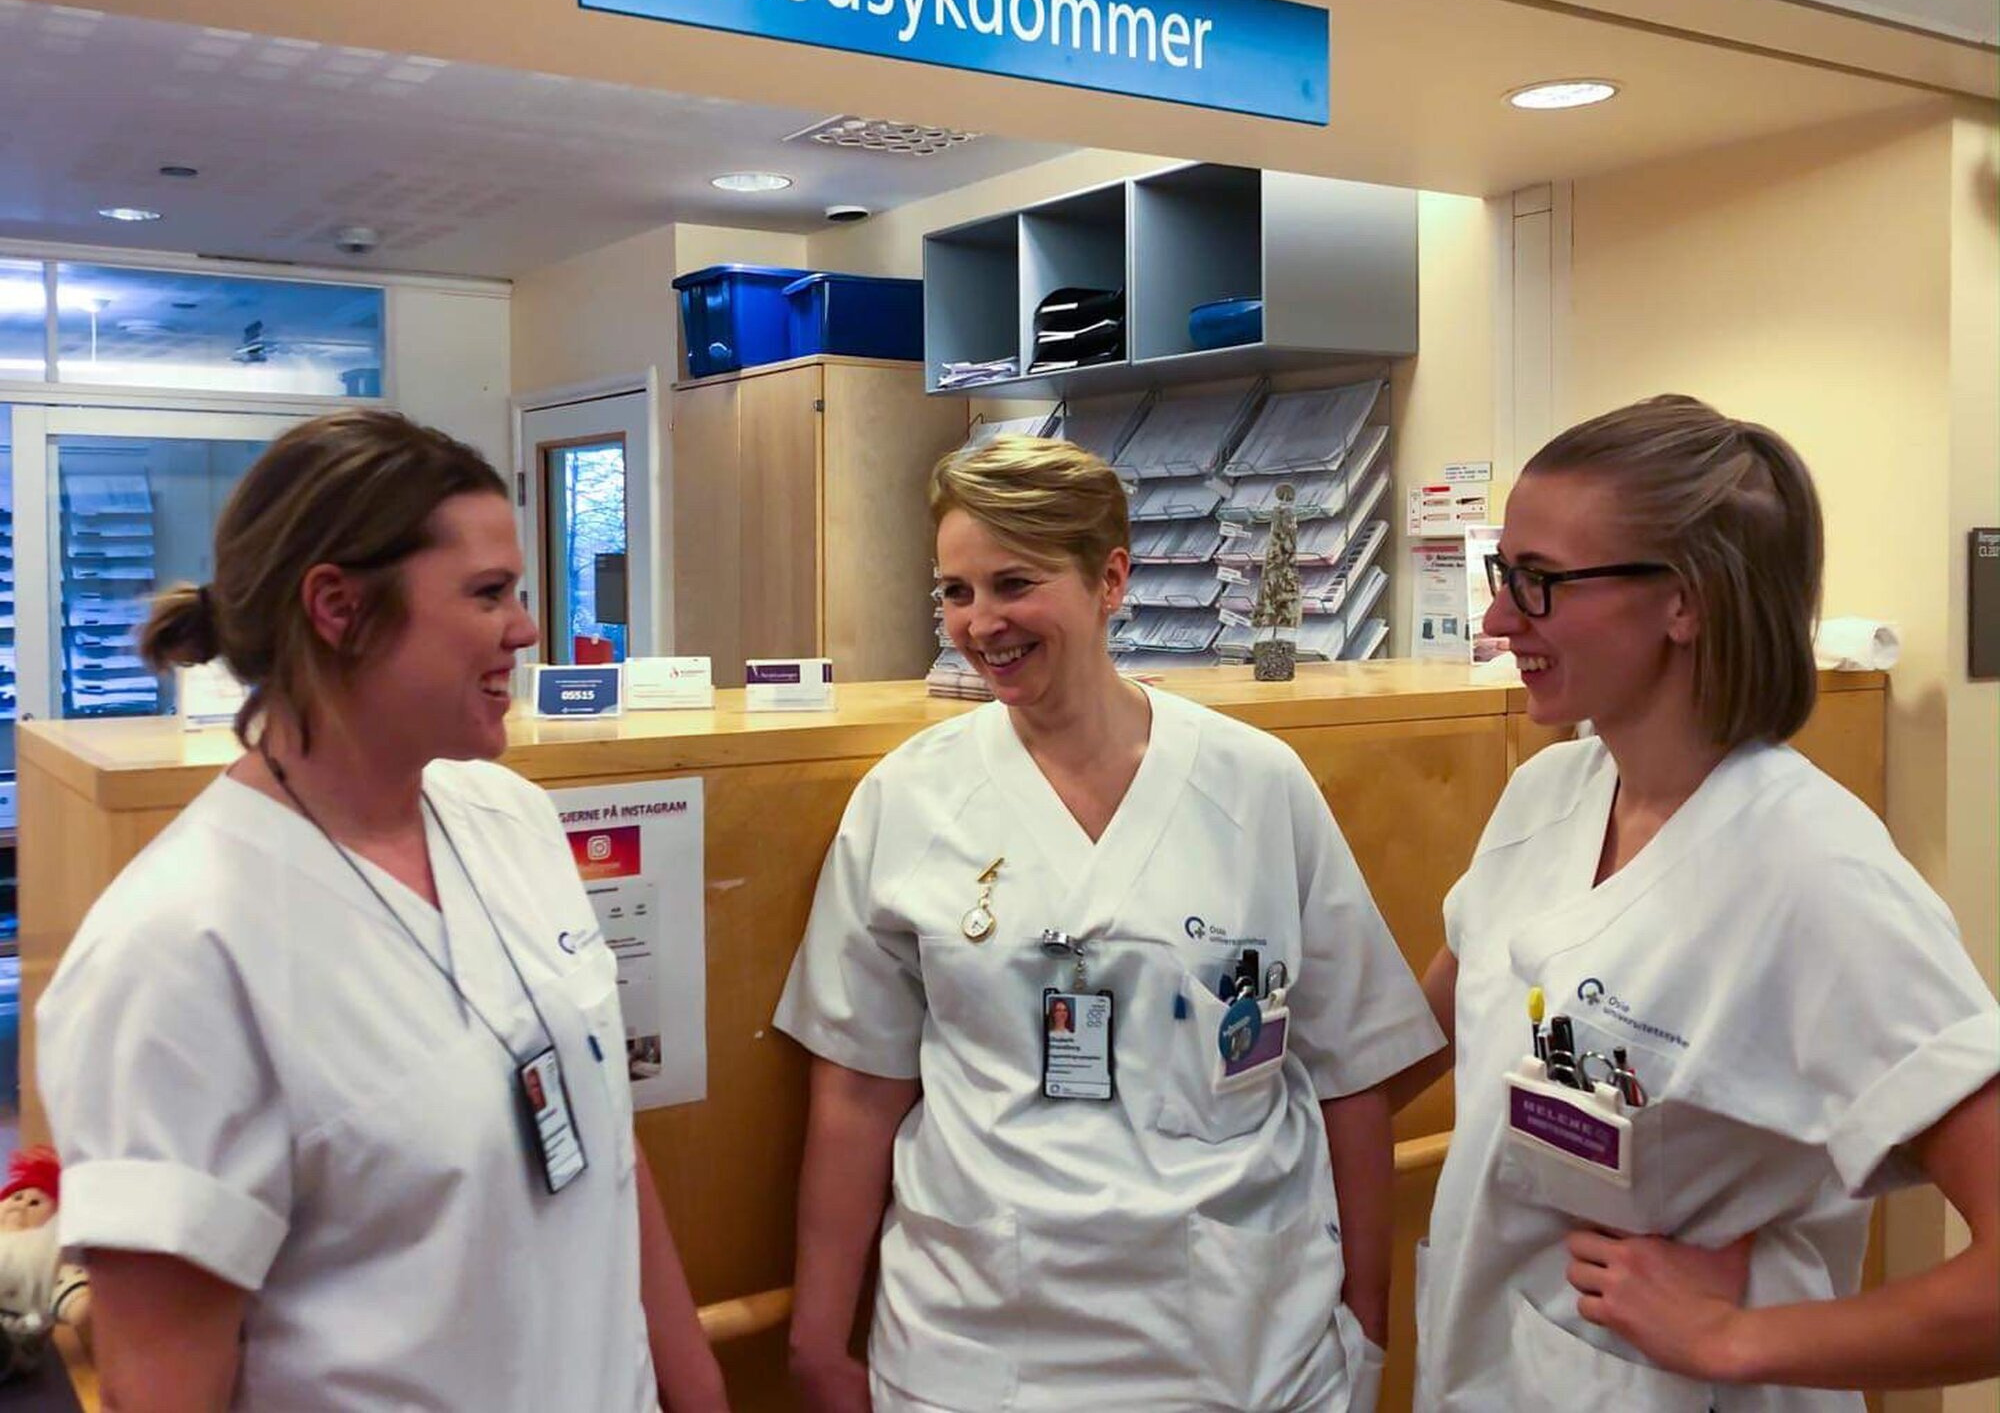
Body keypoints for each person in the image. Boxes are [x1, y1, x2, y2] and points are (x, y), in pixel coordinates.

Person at [36, 410, 728, 1412]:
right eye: (489, 594)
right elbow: (166, 1379)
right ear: (339, 607)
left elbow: (605, 1148)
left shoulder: (511, 820)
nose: (526, 628)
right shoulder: (178, 951)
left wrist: (693, 1385)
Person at [775, 436, 1443, 1412]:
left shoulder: (1253, 787)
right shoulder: (906, 803)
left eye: (1012, 584)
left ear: (1111, 580)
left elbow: (1347, 1075)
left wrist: (1366, 1320)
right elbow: (855, 1091)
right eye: (954, 592)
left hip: (1237, 1338)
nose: (979, 623)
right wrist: (813, 1338)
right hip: (979, 1339)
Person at [1395, 396, 1999, 1409]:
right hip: (1501, 1369)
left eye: (1536, 583)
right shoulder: (1547, 793)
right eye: (1503, 577)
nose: (1497, 621)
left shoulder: (1812, 875)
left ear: (1686, 602)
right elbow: (1438, 1020)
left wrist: (1733, 1336)